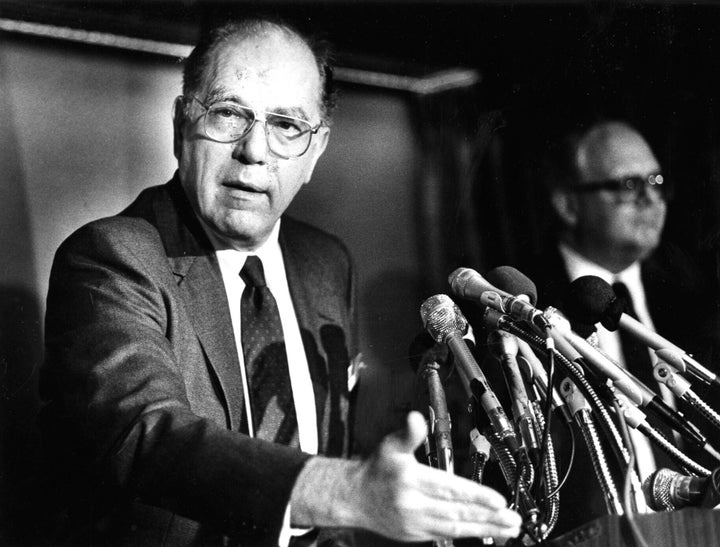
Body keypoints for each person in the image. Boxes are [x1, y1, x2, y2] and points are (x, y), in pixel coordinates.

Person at [38, 17, 521, 547]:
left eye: (287, 126)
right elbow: (147, 436)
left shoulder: (326, 263)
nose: (254, 150)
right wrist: (349, 492)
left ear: (316, 151)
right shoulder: (112, 257)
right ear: (181, 126)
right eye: (228, 113)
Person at [517, 119, 718, 535]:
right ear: (568, 204)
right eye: (628, 185)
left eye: (656, 181)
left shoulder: (697, 298)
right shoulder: (525, 309)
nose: (651, 199)